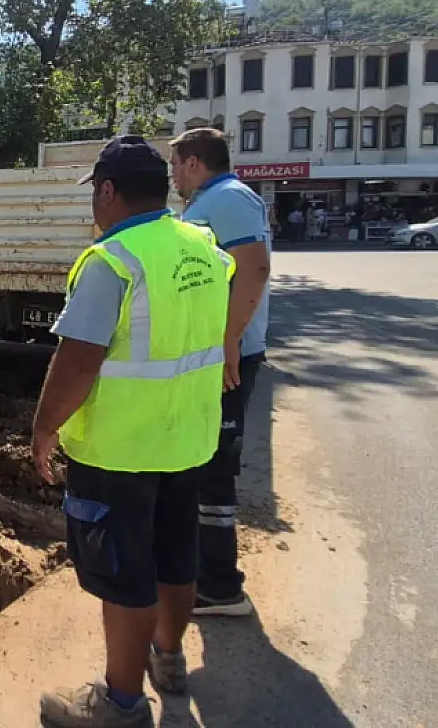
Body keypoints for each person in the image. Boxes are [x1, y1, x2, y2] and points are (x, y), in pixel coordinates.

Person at [32, 136, 235, 726]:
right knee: (176, 555)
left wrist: (45, 427)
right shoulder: (200, 245)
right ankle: (167, 658)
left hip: (121, 450)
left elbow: (77, 361)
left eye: (95, 195)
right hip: (186, 438)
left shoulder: (113, 260)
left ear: (108, 191)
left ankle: (120, 705)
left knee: (124, 575)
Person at [168, 128, 273, 619]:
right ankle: (202, 571)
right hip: (215, 355)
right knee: (202, 462)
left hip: (228, 357)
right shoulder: (215, 199)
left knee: (213, 468)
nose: (172, 174)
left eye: (176, 164)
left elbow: (252, 269)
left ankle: (220, 586)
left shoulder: (229, 199)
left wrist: (229, 340)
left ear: (194, 162)